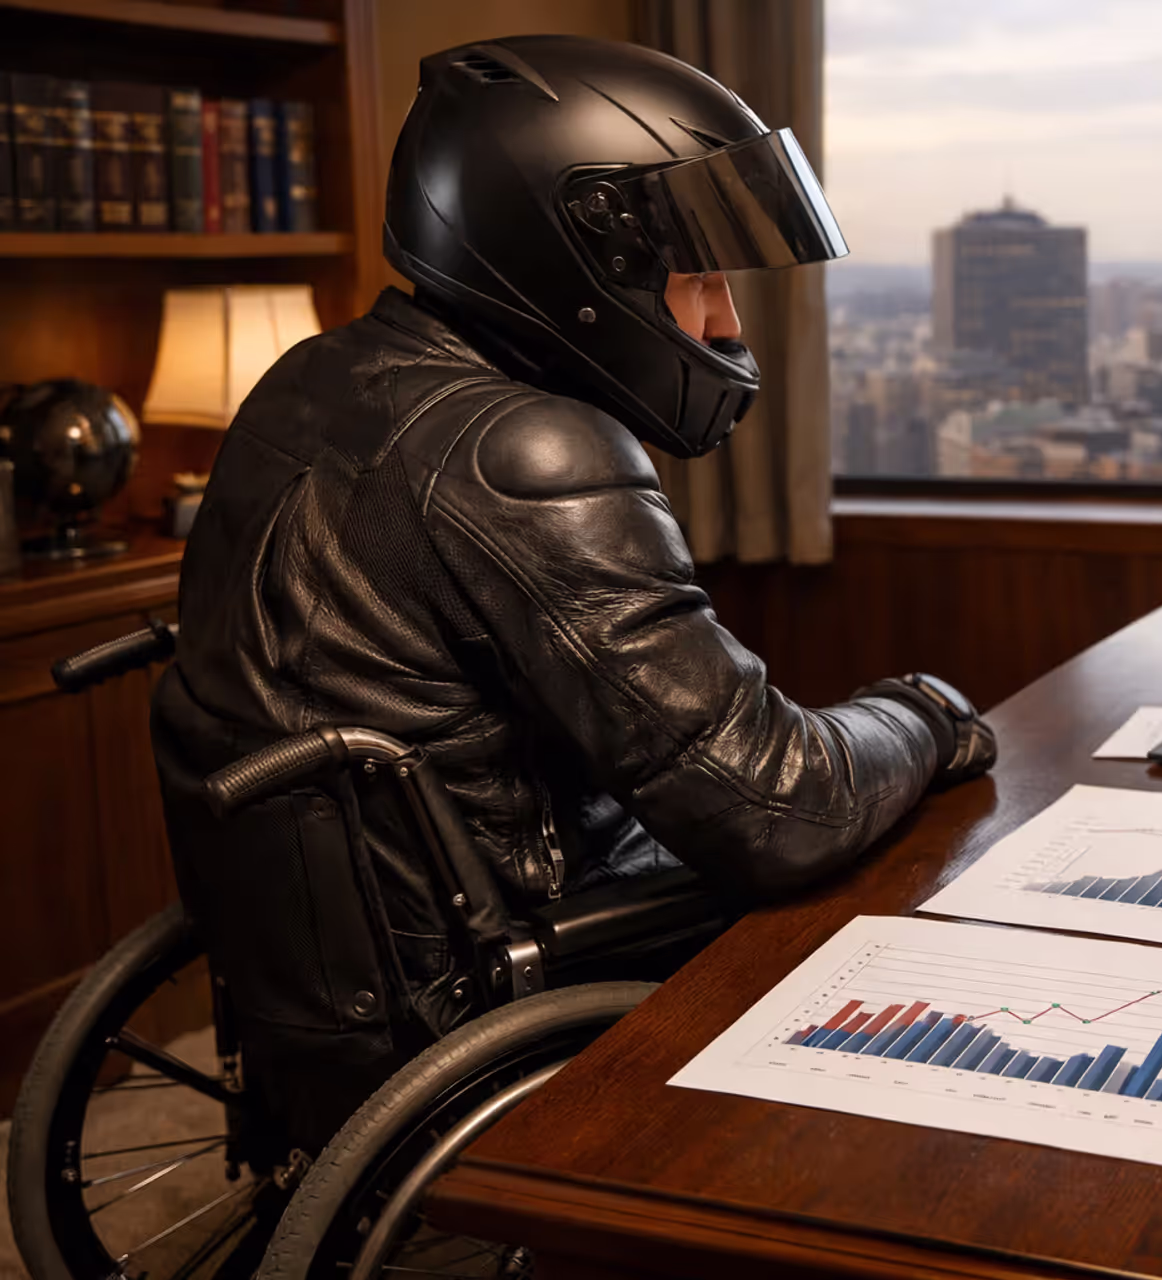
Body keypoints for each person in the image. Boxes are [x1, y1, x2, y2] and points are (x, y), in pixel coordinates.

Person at [149, 35, 995, 1152]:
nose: (726, 323)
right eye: (698, 277)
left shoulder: (319, 375)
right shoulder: (527, 449)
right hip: (489, 980)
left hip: (336, 964)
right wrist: (924, 714)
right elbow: (777, 806)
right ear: (573, 256)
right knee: (896, 881)